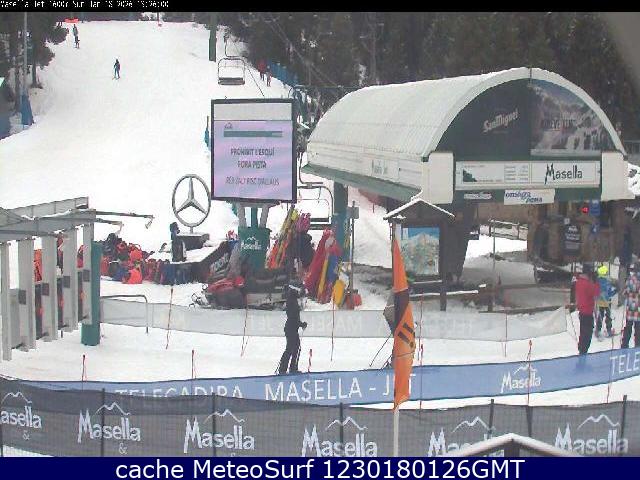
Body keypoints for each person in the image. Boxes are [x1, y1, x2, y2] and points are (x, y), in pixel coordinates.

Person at [278, 283, 307, 374]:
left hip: (292, 328)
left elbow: (295, 317)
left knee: (296, 348)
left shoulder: (292, 300)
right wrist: (301, 324)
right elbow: (293, 317)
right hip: (291, 328)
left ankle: (292, 368)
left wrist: (300, 324)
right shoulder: (291, 301)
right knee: (290, 349)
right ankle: (283, 369)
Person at [574, 263, 600, 355]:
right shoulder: (587, 284)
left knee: (583, 333)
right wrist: (596, 282)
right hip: (587, 312)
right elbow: (596, 292)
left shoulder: (579, 282)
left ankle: (581, 350)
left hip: (582, 311)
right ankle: (583, 353)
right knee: (587, 335)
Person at [595, 265, 617, 337]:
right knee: (608, 316)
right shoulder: (607, 282)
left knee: (600, 316)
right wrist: (615, 291)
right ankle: (609, 330)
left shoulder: (597, 282)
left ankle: (598, 330)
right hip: (607, 302)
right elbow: (609, 293)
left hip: (600, 302)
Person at [622, 263, 640, 348]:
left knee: (628, 328)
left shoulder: (630, 279)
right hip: (638, 308)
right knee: (638, 329)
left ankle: (624, 346)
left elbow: (624, 292)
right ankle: (638, 347)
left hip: (630, 308)